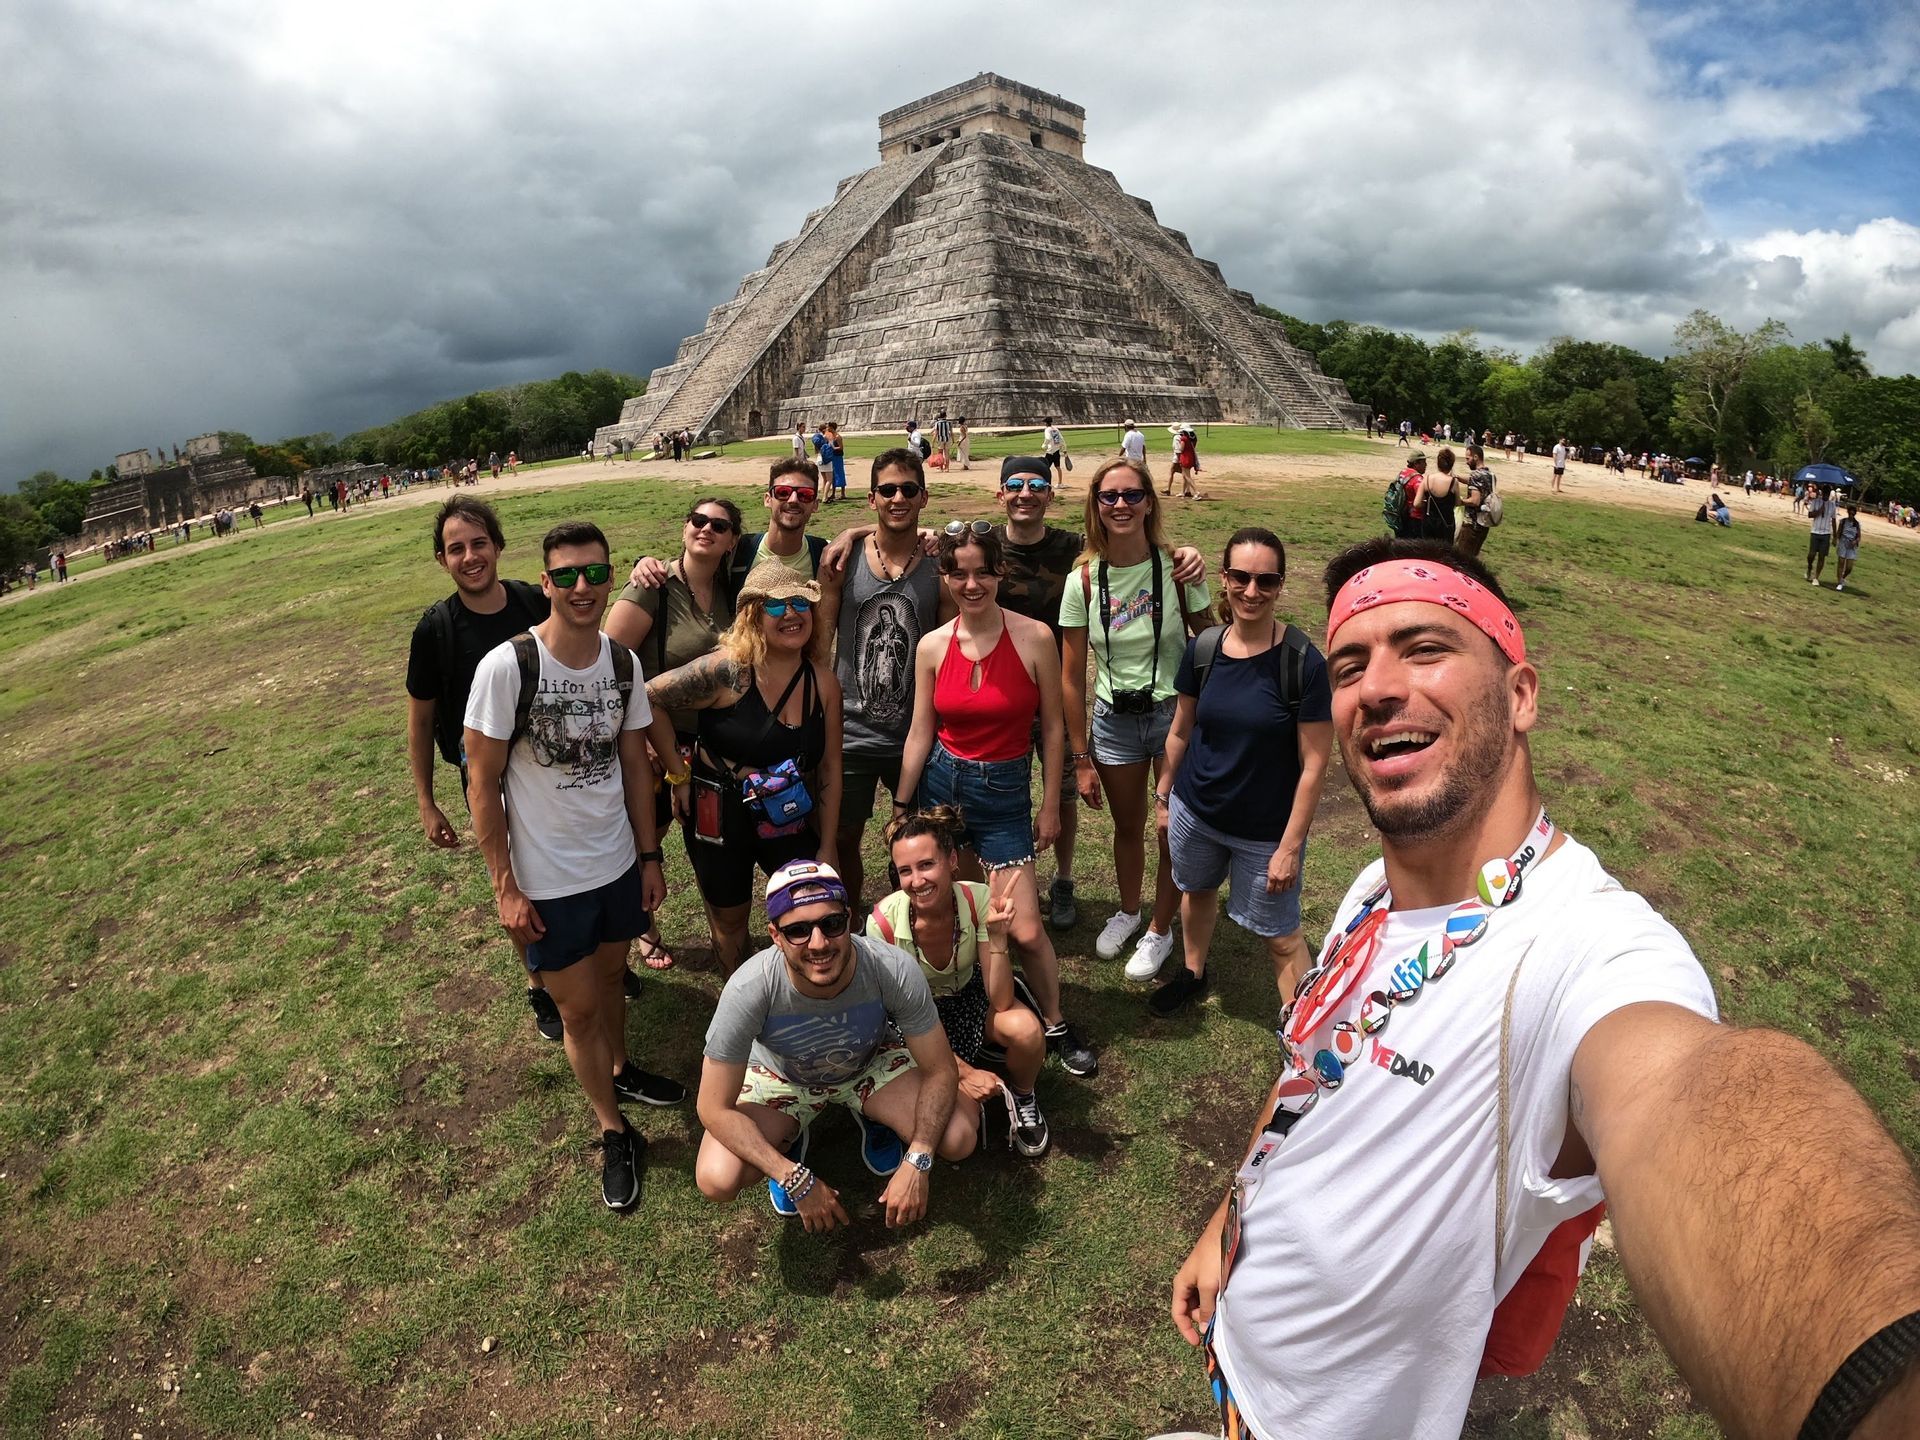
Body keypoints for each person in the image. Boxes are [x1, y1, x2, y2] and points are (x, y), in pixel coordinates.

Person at [1164, 536, 1920, 1440]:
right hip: (1239, 1347)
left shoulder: (1583, 952)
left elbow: (1687, 1096)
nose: (1375, 688)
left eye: (1427, 647)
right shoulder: (1371, 893)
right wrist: (1227, 1218)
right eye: (1351, 664)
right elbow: (1311, 1076)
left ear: (1520, 696)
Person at [463, 520, 686, 1213]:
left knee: (614, 978)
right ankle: (613, 1129)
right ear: (545, 581)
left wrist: (650, 856)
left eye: (595, 573)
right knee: (580, 1009)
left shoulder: (622, 664)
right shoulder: (509, 667)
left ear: (610, 576)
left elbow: (631, 764)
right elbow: (482, 782)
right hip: (549, 876)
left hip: (616, 860)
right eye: (565, 575)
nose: (582, 587)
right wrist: (504, 887)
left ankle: (621, 1070)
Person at [405, 497, 645, 1041]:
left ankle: (598, 966)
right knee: (516, 883)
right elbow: (420, 722)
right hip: (485, 771)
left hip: (549, 764)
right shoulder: (437, 629)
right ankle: (540, 979)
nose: (470, 557)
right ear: (442, 560)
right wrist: (426, 798)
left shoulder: (531, 600)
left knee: (566, 865)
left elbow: (578, 643)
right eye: (455, 548)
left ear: (497, 546)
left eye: (479, 543)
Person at [891, 523, 1095, 1077]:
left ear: (1001, 573)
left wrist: (1050, 804)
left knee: (1024, 926)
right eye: (959, 572)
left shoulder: (1034, 637)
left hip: (1003, 791)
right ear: (946, 576)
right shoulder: (933, 646)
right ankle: (977, 1009)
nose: (972, 583)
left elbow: (1051, 728)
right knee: (962, 914)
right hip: (942, 790)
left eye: (983, 571)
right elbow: (919, 731)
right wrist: (902, 805)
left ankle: (1053, 1019)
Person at [694, 859, 976, 1228]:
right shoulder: (749, 989)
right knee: (717, 1177)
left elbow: (940, 1069)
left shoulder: (890, 967)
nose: (818, 943)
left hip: (869, 1062)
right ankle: (787, 1143)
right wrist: (790, 1176)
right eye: (797, 930)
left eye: (831, 924)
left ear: (850, 920)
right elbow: (712, 1107)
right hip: (783, 1076)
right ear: (775, 936)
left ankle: (872, 1114)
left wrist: (919, 1159)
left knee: (958, 1136)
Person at [1146, 528, 1333, 1016]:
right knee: (1196, 891)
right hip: (1197, 811)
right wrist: (1165, 797)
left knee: (1281, 937)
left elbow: (1314, 766)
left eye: (1266, 581)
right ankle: (1192, 971)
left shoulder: (1303, 663)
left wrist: (1288, 849)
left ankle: (1304, 1032)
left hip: (1265, 832)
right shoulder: (1204, 648)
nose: (1252, 592)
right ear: (1224, 578)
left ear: (1280, 585)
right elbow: (1181, 731)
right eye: (1242, 578)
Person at [644, 556, 843, 975]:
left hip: (787, 813)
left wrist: (826, 846)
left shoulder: (821, 681)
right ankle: (740, 991)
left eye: (800, 603)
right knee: (730, 918)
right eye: (775, 606)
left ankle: (799, 993)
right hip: (720, 814)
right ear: (754, 616)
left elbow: (829, 768)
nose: (790, 614)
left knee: (805, 906)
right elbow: (649, 698)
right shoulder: (728, 671)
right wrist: (676, 773)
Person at [1060, 458, 1212, 983]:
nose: (1121, 505)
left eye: (1131, 495)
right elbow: (1072, 676)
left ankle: (1160, 927)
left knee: (1171, 828)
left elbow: (1210, 642)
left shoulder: (1176, 567)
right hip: (1114, 719)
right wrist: (1080, 756)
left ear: (1150, 500)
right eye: (1109, 497)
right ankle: (1128, 909)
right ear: (1095, 507)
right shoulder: (1081, 580)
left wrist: (1196, 567)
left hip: (1173, 715)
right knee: (1128, 827)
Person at [606, 497, 742, 969]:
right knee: (647, 837)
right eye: (698, 520)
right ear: (685, 528)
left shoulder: (730, 586)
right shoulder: (654, 586)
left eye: (718, 525)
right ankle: (641, 927)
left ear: (731, 541)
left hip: (712, 739)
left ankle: (723, 932)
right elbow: (610, 664)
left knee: (708, 840)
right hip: (653, 738)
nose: (706, 529)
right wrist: (641, 736)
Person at [872, 810, 1050, 1157]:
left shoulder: (978, 899)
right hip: (914, 1025)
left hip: (970, 1000)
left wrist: (998, 939)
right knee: (959, 1143)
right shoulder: (882, 926)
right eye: (905, 871)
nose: (917, 880)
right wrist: (963, 1072)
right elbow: (894, 1023)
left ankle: (1024, 1093)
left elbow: (999, 1001)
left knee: (1025, 1029)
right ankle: (965, 1073)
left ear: (952, 860)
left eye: (926, 865)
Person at [817, 447, 947, 915]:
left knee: (917, 837)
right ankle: (850, 921)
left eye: (908, 490)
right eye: (887, 490)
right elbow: (821, 643)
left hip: (915, 731)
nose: (898, 498)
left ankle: (910, 921)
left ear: (923, 497)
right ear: (872, 498)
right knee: (843, 833)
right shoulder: (843, 559)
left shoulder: (938, 563)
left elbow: (951, 642)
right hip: (850, 730)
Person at [629, 459, 828, 601]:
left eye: (805, 494)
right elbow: (694, 560)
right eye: (783, 493)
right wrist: (644, 562)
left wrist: (852, 532)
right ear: (768, 499)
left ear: (815, 504)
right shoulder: (739, 549)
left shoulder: (825, 555)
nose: (793, 500)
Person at [1458, 444, 1497, 559]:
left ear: (1475, 457)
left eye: (1467, 458)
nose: (1466, 462)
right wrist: (1458, 478)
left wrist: (1460, 501)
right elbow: (1476, 482)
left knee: (1462, 558)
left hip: (1472, 524)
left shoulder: (1475, 475)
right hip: (1484, 523)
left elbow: (1475, 501)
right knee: (1472, 557)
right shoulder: (1490, 475)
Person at [1385, 450, 1428, 540]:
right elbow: (1421, 500)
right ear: (1416, 463)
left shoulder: (1403, 472)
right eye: (1423, 462)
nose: (1426, 465)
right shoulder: (1417, 479)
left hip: (1401, 514)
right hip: (1415, 518)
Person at [1808, 485, 1839, 586]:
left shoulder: (1832, 505)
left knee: (1822, 556)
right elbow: (1810, 515)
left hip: (1826, 533)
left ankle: (1816, 577)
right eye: (1824, 492)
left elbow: (1834, 520)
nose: (1826, 494)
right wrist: (1818, 511)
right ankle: (1809, 566)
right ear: (1822, 493)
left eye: (1827, 492)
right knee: (1811, 554)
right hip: (1815, 531)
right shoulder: (1815, 502)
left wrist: (1835, 536)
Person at [1836, 504, 1863, 591]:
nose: (1851, 515)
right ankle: (1839, 582)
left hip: (1852, 545)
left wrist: (1855, 541)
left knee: (1849, 567)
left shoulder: (1857, 524)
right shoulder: (1843, 521)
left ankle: (1843, 577)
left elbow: (1859, 536)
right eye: (1850, 514)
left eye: (1853, 514)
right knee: (1841, 562)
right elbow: (1839, 532)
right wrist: (1837, 541)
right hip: (1843, 542)